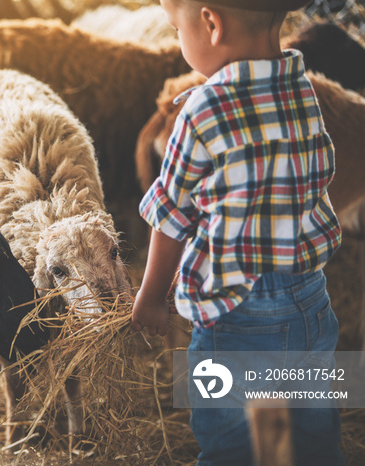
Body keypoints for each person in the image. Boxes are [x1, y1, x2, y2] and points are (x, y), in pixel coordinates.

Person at [130, 0, 345, 464]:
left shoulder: (202, 111)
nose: (176, 41)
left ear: (210, 23)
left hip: (234, 312)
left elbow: (170, 218)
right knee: (313, 437)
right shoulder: (301, 89)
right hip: (310, 303)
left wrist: (149, 297)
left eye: (175, 28)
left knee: (231, 444)